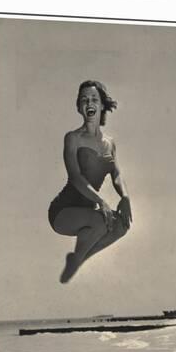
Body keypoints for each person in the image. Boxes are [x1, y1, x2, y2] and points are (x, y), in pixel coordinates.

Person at [48, 80, 133, 283]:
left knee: (121, 225)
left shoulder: (110, 143)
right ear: (79, 107)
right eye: (84, 100)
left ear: (102, 105)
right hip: (63, 212)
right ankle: (77, 259)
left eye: (94, 99)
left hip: (90, 213)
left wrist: (126, 197)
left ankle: (78, 259)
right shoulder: (73, 138)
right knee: (101, 220)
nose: (89, 103)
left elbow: (117, 174)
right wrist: (102, 201)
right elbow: (76, 178)